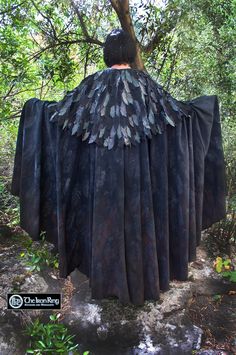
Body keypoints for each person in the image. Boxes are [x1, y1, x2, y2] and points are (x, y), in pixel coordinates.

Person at [11, 29, 226, 305]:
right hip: (140, 185)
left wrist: (34, 108)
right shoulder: (146, 86)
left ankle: (103, 280)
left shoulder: (92, 85)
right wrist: (204, 108)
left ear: (108, 54)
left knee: (103, 228)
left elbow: (59, 116)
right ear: (130, 53)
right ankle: (141, 283)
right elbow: (179, 117)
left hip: (101, 188)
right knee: (138, 227)